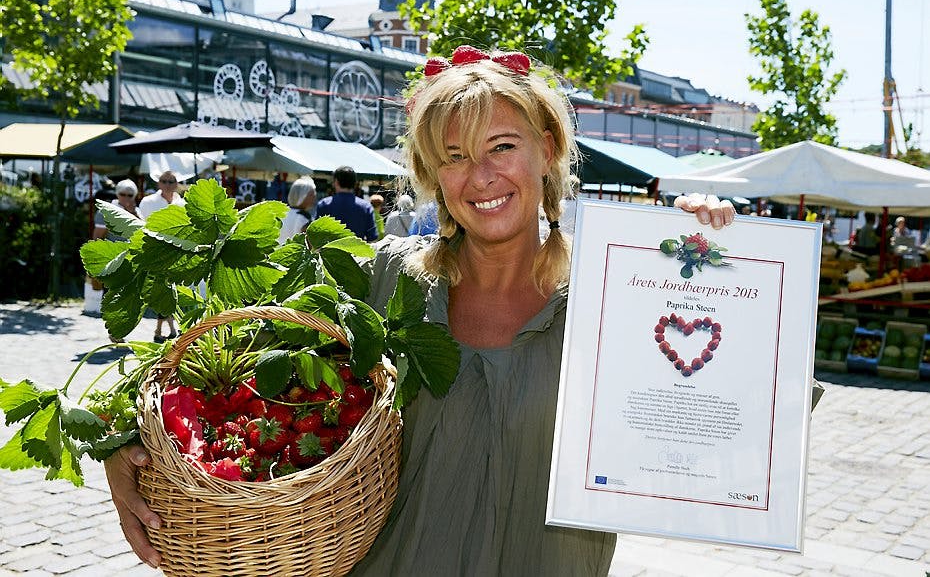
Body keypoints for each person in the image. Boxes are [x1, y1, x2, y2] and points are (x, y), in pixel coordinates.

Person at [103, 47, 735, 574]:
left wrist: (720, 263)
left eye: (502, 146)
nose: (480, 176)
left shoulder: (621, 295)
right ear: (432, 175)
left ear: (546, 150)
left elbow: (738, 409)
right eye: (453, 157)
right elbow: (213, 369)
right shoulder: (381, 280)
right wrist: (121, 446)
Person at [137, 170, 185, 342]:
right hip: (154, 251)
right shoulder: (148, 202)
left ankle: (163, 330)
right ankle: (167, 330)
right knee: (163, 291)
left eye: (171, 181)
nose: (167, 184)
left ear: (177, 184)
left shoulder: (182, 204)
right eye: (164, 181)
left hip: (175, 253)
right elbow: (141, 226)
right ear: (158, 183)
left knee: (167, 291)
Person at [315, 166, 378, 241]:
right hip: (356, 251)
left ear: (336, 182)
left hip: (329, 251)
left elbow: (316, 234)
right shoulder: (366, 207)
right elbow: (372, 237)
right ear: (355, 183)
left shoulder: (324, 205)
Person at [277, 176, 317, 245]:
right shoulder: (304, 217)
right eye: (311, 194)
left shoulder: (282, 213)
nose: (314, 197)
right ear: (302, 196)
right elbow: (309, 244)